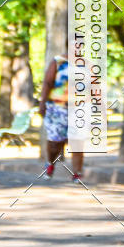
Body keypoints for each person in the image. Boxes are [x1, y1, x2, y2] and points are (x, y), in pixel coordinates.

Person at [39, 53, 84, 183]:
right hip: (57, 108)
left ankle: (77, 173)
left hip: (78, 108)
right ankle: (50, 163)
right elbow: (48, 83)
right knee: (55, 143)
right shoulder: (58, 62)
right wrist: (42, 103)